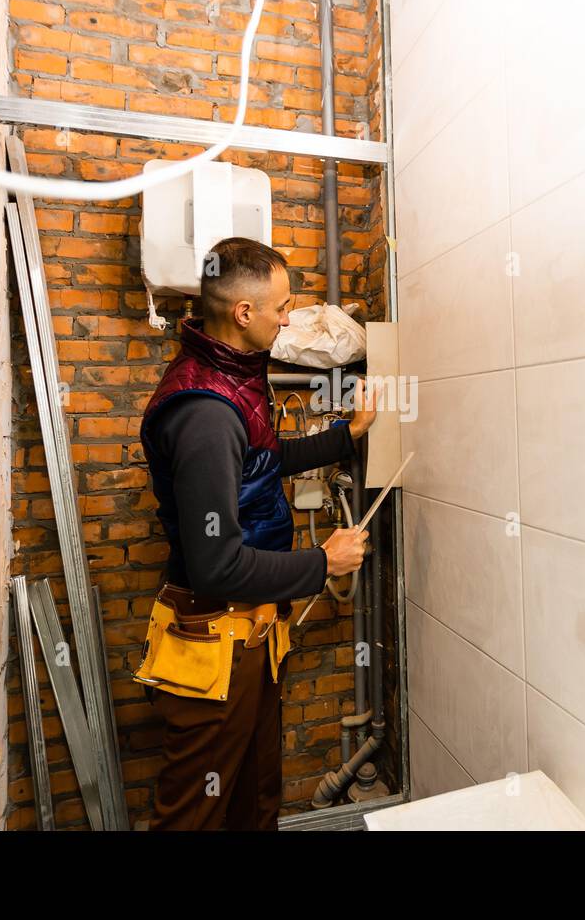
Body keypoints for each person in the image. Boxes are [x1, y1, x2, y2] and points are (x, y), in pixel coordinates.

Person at [137, 236, 375, 830]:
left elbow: (260, 461)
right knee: (197, 811)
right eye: (282, 306)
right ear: (244, 313)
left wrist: (345, 434)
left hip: (251, 630)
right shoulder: (206, 412)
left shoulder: (233, 379)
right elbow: (217, 566)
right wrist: (322, 563)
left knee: (253, 792)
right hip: (216, 634)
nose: (288, 317)